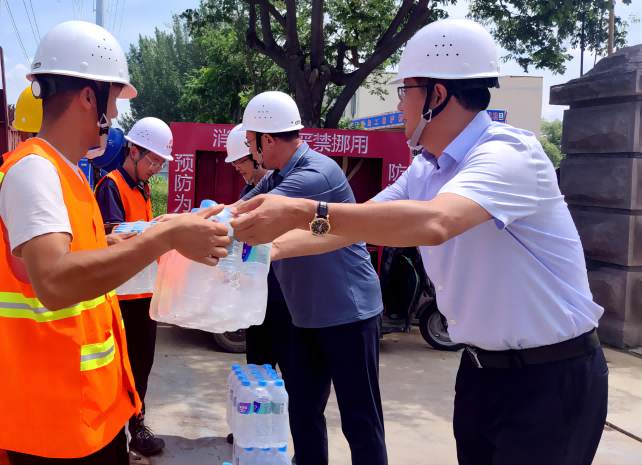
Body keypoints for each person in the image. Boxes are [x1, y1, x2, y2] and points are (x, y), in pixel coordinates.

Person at [231, 18, 608, 465]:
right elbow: (355, 224)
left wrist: (300, 211)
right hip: (479, 371)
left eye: (403, 89)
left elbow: (436, 223)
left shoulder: (508, 154)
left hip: (549, 378)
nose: (400, 103)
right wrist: (264, 250)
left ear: (437, 94)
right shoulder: (426, 168)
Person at [0, 21, 230, 465]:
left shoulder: (69, 174)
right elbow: (55, 281)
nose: (115, 116)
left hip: (81, 409)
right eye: (114, 101)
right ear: (88, 97)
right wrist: (165, 237)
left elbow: (82, 258)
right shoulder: (36, 172)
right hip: (52, 419)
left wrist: (153, 230)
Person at [235, 92, 387, 465]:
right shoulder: (278, 176)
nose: (253, 153)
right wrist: (174, 222)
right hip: (305, 316)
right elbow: (239, 207)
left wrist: (172, 235)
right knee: (302, 411)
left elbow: (249, 217)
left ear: (266, 140)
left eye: (251, 142)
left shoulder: (313, 175)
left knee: (360, 422)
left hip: (349, 314)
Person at [93, 117, 173, 456]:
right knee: (117, 369)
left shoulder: (140, 188)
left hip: (143, 294)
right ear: (134, 151)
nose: (155, 168)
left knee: (141, 364)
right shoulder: (110, 186)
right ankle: (115, 435)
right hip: (121, 294)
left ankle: (136, 426)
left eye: (160, 162)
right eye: (152, 160)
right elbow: (114, 235)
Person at [223, 125, 293, 445]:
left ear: (258, 154)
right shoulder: (248, 193)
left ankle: (274, 433)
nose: (236, 167)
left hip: (282, 298)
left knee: (288, 374)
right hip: (257, 297)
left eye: (240, 161)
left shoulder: (280, 188)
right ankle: (252, 428)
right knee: (256, 367)